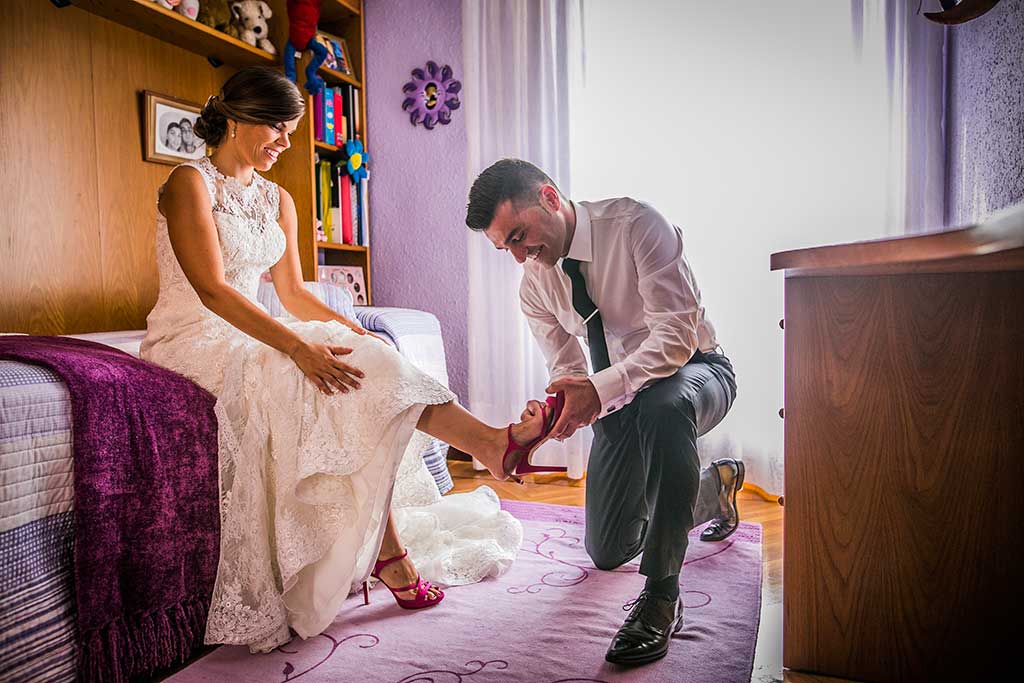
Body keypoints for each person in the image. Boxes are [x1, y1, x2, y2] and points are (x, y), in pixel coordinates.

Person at [140, 67, 558, 653]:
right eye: (279, 131)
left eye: (290, 133)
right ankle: (411, 531)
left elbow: (292, 294)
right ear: (238, 120)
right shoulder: (189, 184)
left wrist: (359, 331)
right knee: (309, 375)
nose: (286, 145)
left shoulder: (277, 199)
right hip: (196, 337)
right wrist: (296, 346)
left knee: (366, 365)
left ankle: (485, 447)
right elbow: (213, 289)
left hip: (255, 326)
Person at [465, 158, 743, 667]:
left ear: (550, 197)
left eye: (521, 236)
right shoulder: (533, 285)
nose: (521, 255)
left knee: (663, 406)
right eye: (507, 247)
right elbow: (570, 376)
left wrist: (599, 389)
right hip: (616, 397)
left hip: (698, 372)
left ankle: (661, 596)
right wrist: (539, 424)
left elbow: (676, 339)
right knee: (610, 549)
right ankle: (712, 489)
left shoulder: (638, 225)